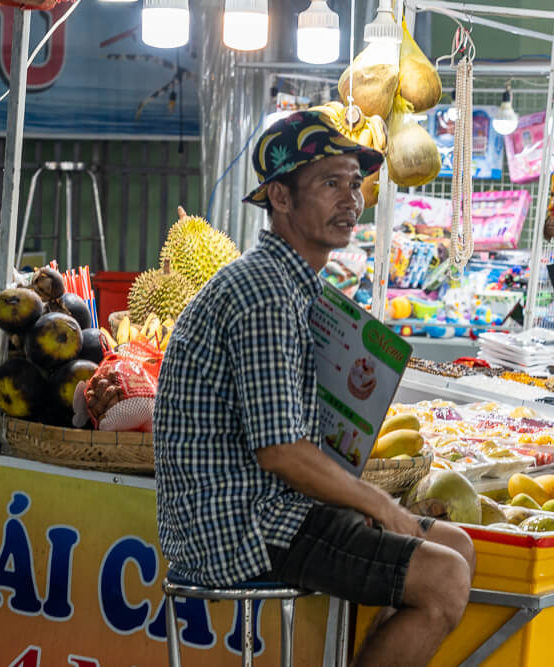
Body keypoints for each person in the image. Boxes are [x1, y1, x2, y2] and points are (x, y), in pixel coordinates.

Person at [154, 110, 475, 667]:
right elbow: (279, 451)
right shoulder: (265, 295)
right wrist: (382, 505)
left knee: (458, 545)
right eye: (330, 183)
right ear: (279, 197)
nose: (350, 199)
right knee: (444, 576)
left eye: (354, 182)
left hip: (276, 509)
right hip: (239, 525)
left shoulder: (293, 284)